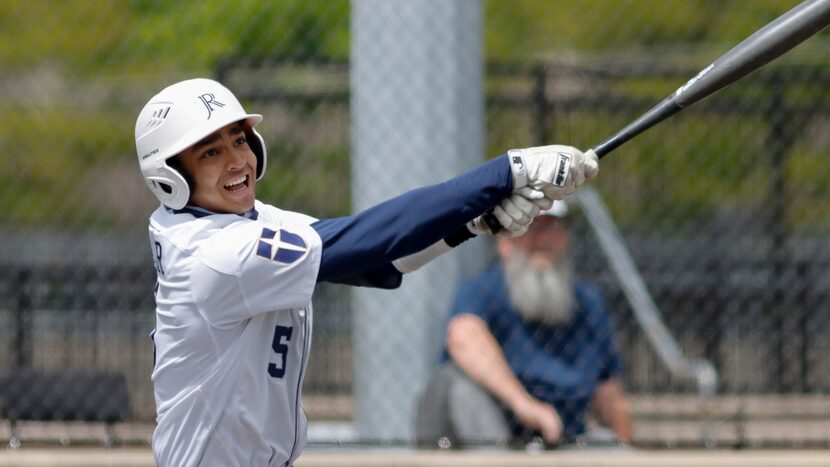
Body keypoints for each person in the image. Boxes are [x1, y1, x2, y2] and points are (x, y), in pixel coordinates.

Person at [135, 78, 598, 466]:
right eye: (210, 153)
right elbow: (368, 236)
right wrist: (507, 171)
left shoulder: (244, 224)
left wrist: (473, 224)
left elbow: (379, 261)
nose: (237, 160)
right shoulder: (216, 254)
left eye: (239, 140)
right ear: (170, 176)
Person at [416, 200, 631, 449]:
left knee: (609, 446)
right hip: (491, 435)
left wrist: (628, 448)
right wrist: (524, 404)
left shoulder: (587, 304)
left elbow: (611, 396)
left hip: (560, 437)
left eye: (549, 229)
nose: (540, 240)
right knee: (454, 383)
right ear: (505, 243)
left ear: (564, 239)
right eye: (529, 229)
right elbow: (462, 337)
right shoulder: (484, 291)